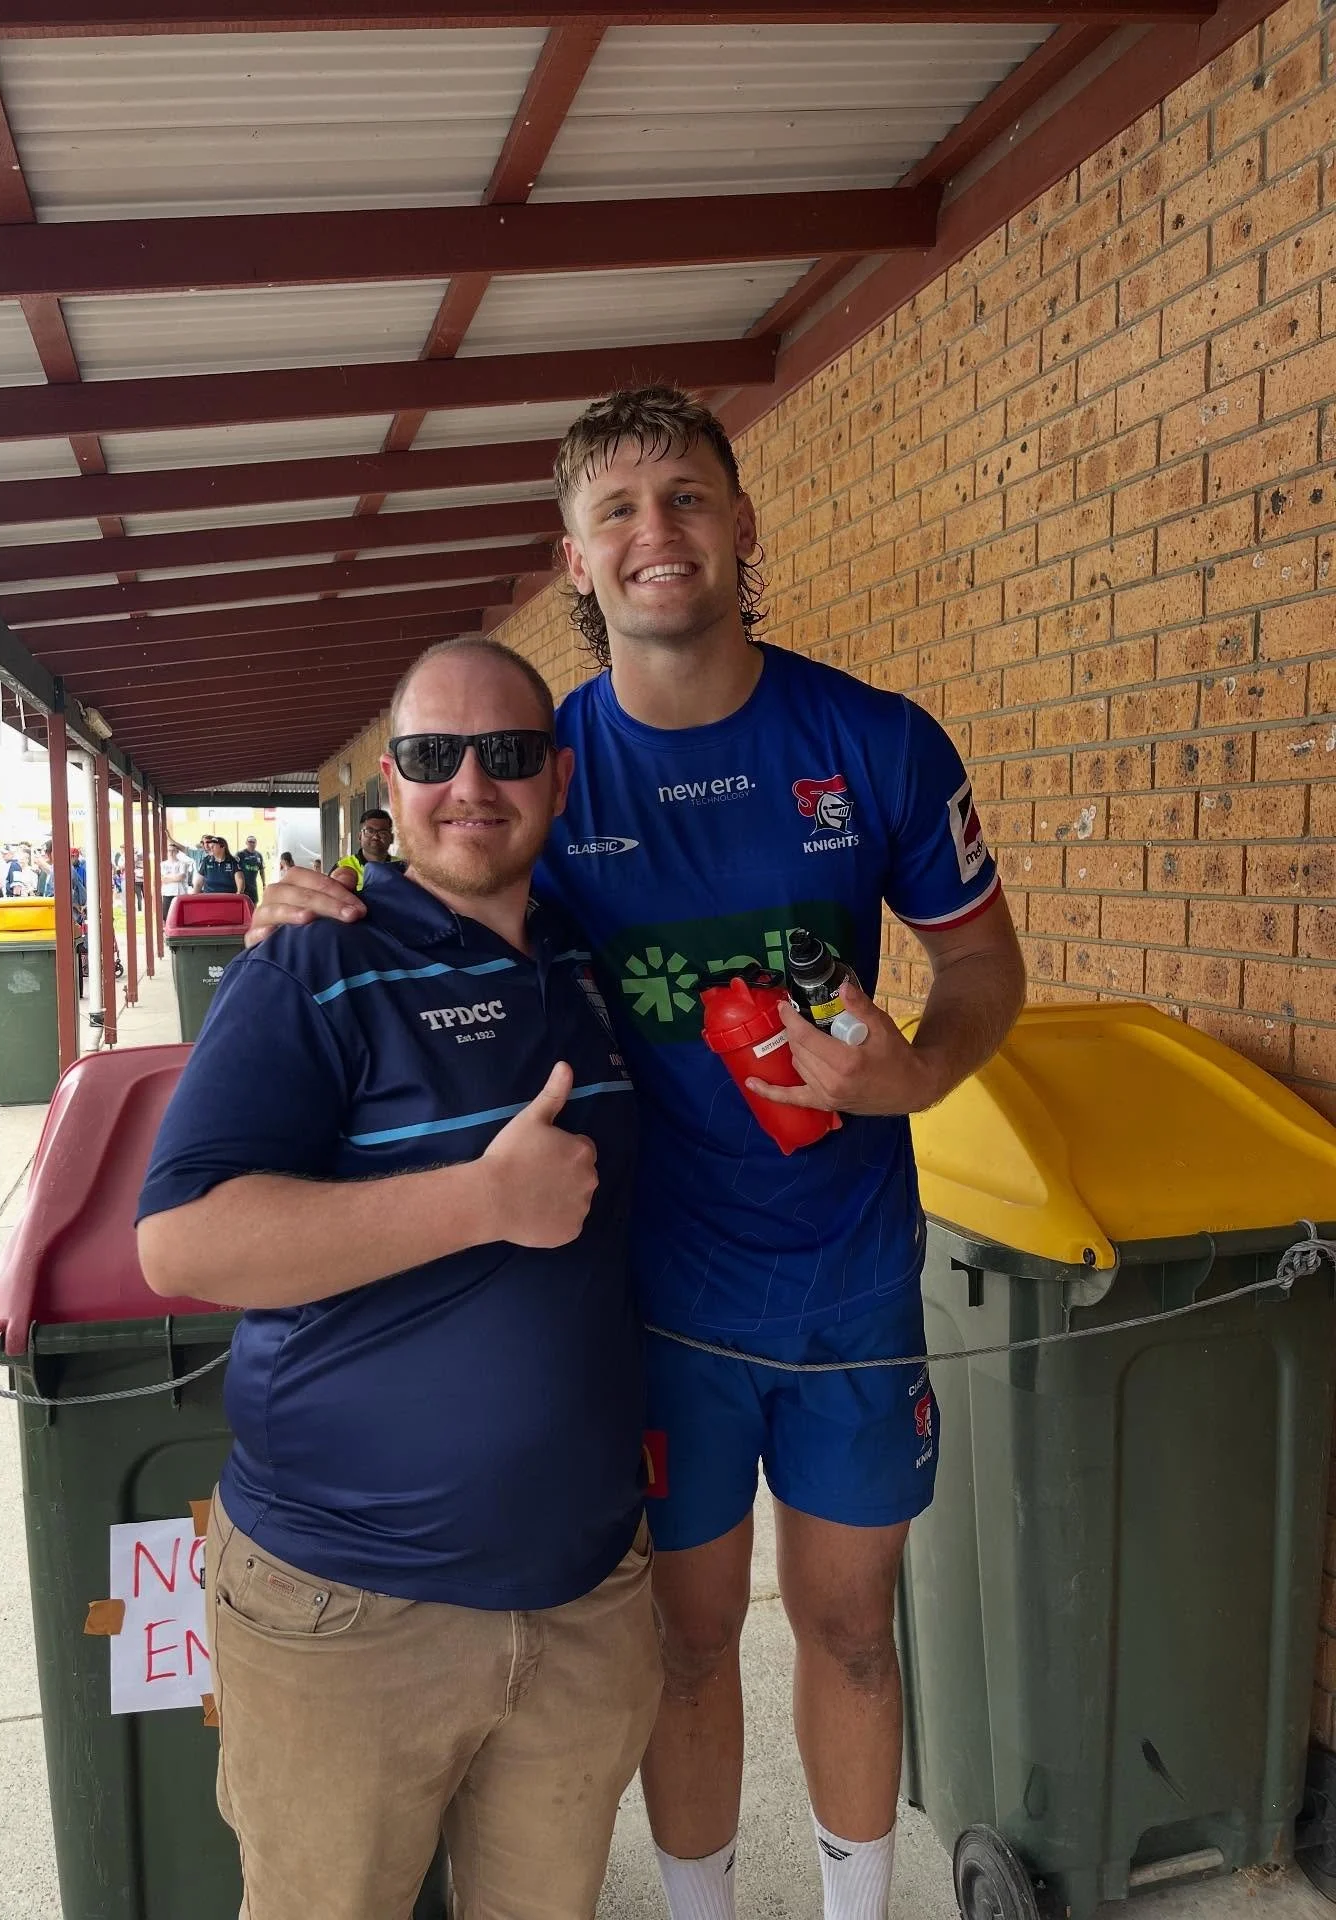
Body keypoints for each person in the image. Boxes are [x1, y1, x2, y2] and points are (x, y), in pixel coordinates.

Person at [252, 385, 1026, 1920]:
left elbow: (989, 969)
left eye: (685, 499)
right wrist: (303, 899)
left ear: (742, 530)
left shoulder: (872, 741)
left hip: (850, 1278)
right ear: (575, 561)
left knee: (855, 1628)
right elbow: (428, 880)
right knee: (682, 1642)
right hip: (651, 1295)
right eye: (617, 510)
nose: (654, 533)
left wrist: (920, 1073)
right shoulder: (546, 771)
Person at [137, 640, 659, 1920]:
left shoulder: (586, 958)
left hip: (585, 1594)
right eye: (435, 756)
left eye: (510, 753)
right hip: (348, 1613)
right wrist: (483, 1201)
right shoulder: (314, 960)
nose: (472, 783)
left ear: (560, 776)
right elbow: (181, 1240)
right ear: (390, 783)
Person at [332, 806, 393, 883]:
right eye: (369, 831)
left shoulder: (403, 867)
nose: (375, 837)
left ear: (391, 838)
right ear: (360, 836)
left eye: (382, 832)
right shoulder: (342, 867)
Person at [160, 840, 194, 918]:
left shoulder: (183, 864)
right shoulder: (163, 864)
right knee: (166, 916)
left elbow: (181, 877)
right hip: (167, 893)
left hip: (180, 892)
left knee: (180, 915)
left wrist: (169, 877)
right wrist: (175, 877)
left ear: (177, 852)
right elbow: (163, 879)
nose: (171, 852)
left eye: (173, 850)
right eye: (169, 851)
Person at [236, 834, 265, 904]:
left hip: (253, 886)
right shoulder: (240, 854)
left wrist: (264, 883)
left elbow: (262, 870)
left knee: (253, 904)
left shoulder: (258, 855)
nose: (251, 844)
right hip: (242, 886)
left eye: (253, 842)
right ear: (246, 843)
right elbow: (234, 870)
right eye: (250, 842)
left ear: (256, 843)